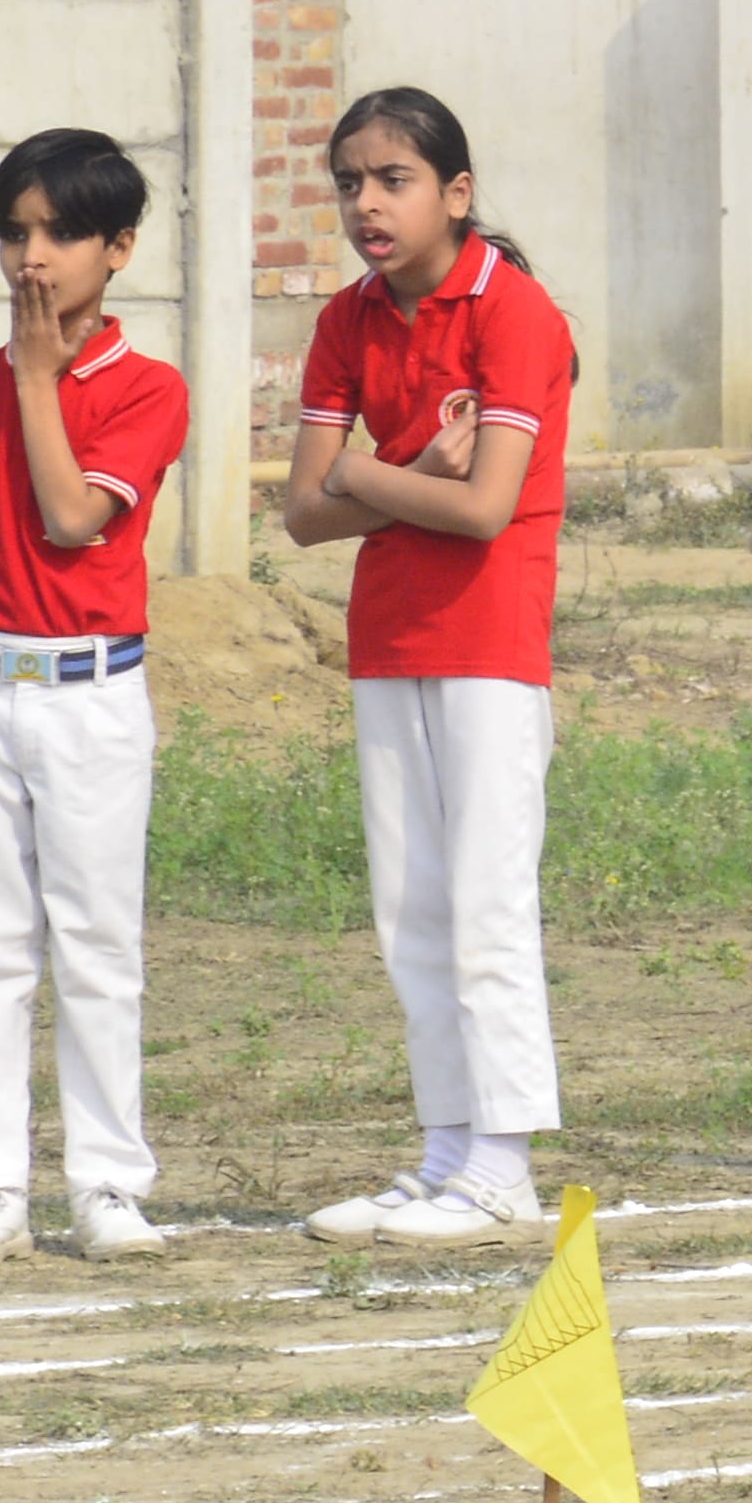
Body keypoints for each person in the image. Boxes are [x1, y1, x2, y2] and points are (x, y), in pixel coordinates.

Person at [276, 87, 579, 1249]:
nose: (367, 203)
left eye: (393, 179)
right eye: (350, 181)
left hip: (489, 643)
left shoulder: (516, 312)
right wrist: (407, 471)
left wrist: (363, 472)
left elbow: (487, 506)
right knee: (412, 911)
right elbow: (303, 513)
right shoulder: (347, 319)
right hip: (387, 638)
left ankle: (503, 1167)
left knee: (486, 904)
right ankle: (448, 1152)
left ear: (457, 193)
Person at [0, 127, 191, 1269]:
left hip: (90, 694)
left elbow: (74, 518)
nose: (33, 257)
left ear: (118, 248)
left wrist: (35, 378)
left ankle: (108, 1184)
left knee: (98, 943)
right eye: (15, 233)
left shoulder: (148, 390)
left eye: (62, 232)